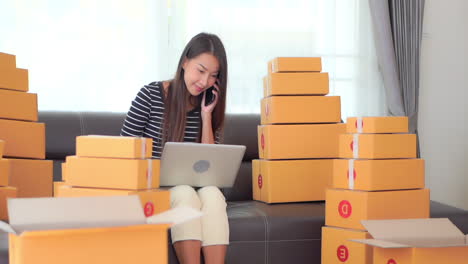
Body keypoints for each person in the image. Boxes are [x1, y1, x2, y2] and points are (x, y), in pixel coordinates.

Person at [121, 32, 228, 264]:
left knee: (213, 195)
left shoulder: (208, 105)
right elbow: (123, 152)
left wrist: (206, 116)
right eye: (200, 71)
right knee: (184, 193)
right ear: (184, 62)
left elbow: (210, 171)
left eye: (213, 76)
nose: (204, 82)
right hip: (156, 190)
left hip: (196, 190)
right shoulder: (150, 95)